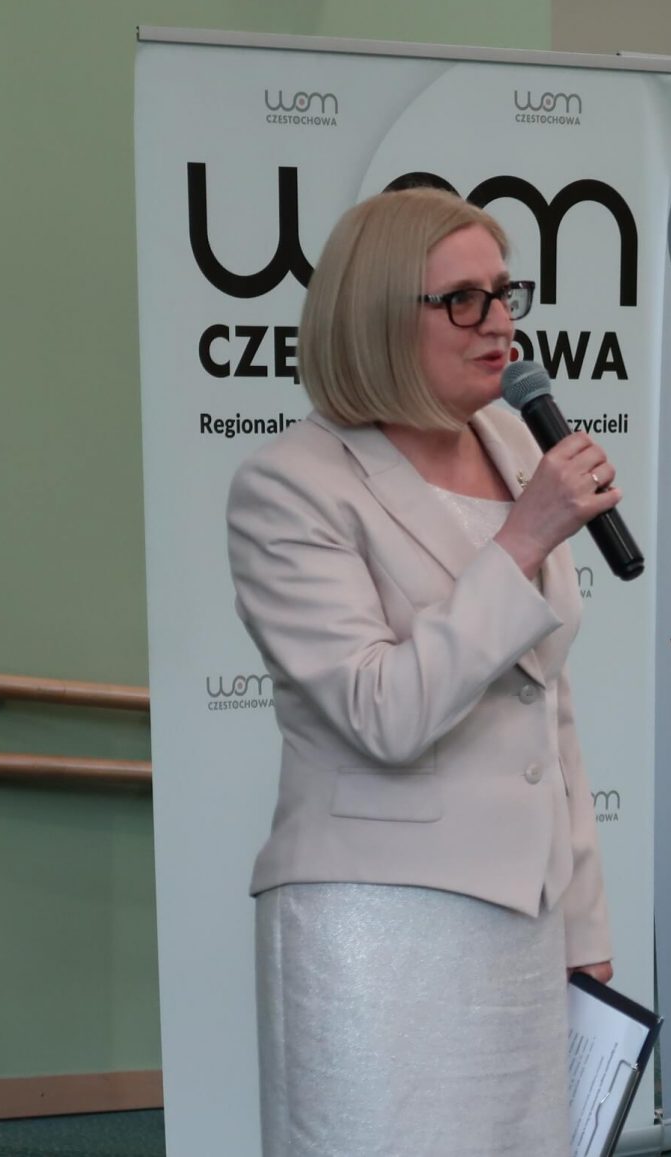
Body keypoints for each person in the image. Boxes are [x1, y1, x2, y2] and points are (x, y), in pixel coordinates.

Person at [226, 187, 616, 1156]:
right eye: (461, 300)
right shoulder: (291, 486)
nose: (499, 323)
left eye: (504, 292)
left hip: (521, 926)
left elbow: (545, 700)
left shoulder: (514, 445)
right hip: (376, 927)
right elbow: (383, 713)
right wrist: (520, 542)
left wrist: (581, 921)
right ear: (375, 318)